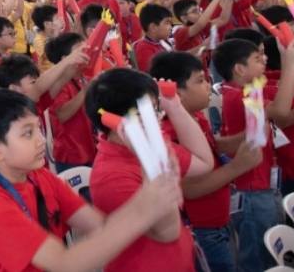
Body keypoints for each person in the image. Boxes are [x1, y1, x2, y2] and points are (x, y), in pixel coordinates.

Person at [0, 88, 182, 272]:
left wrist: (151, 173)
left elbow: (101, 226)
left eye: (38, 128)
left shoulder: (41, 177)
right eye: (27, 133)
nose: (41, 141)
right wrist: (144, 208)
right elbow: (63, 263)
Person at [85, 69, 215, 272]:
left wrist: (175, 107)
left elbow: (204, 163)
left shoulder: (153, 141)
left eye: (156, 110)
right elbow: (167, 231)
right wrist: (150, 161)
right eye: (146, 113)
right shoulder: (109, 177)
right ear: (116, 122)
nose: (157, 120)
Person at [213, 35, 294, 272]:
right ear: (240, 69)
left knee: (267, 254)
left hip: (261, 184)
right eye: (258, 59)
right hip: (251, 190)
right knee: (258, 258)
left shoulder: (247, 89)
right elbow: (281, 112)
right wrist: (290, 63)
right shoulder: (238, 95)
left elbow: (283, 99)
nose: (265, 62)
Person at [150, 51, 262, 272]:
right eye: (200, 81)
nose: (208, 85)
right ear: (176, 94)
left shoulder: (195, 116)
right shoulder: (169, 133)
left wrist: (245, 137)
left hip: (218, 218)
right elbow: (190, 189)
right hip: (202, 229)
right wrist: (238, 166)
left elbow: (212, 146)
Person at [44, 33, 95, 172]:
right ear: (65, 59)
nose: (87, 53)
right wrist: (86, 91)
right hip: (72, 155)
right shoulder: (59, 83)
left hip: (88, 148)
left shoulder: (83, 76)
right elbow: (62, 115)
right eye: (81, 50)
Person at [132, 4, 174, 71]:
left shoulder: (161, 42)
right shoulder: (144, 48)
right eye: (167, 23)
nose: (170, 27)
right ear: (153, 27)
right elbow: (150, 75)